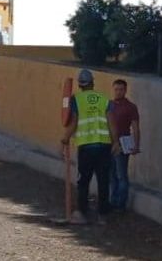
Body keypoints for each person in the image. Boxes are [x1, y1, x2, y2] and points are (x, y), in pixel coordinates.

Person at [60, 69, 113, 224]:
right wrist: (115, 141)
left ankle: (81, 213)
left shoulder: (77, 100)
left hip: (86, 146)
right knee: (103, 181)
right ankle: (103, 215)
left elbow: (74, 122)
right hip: (104, 145)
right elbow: (111, 122)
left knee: (83, 181)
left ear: (80, 84)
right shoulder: (104, 99)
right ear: (92, 82)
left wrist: (65, 138)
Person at [108, 79, 141, 212]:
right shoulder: (109, 105)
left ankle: (120, 203)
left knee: (121, 174)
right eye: (116, 89)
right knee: (111, 174)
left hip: (123, 144)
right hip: (108, 144)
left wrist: (136, 145)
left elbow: (136, 127)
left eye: (121, 89)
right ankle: (113, 200)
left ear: (125, 90)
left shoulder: (130, 107)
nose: (118, 92)